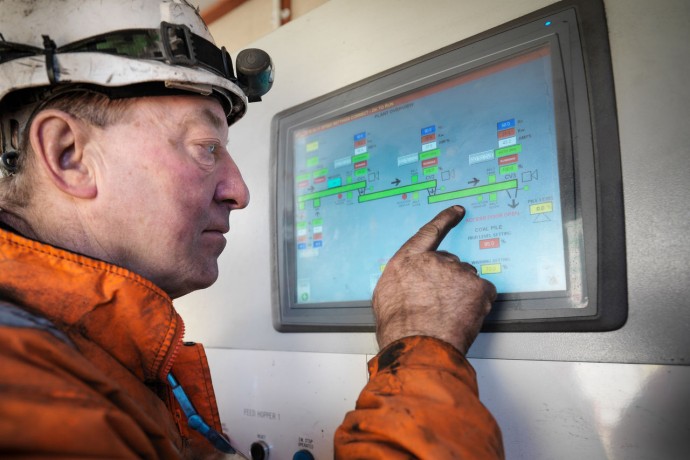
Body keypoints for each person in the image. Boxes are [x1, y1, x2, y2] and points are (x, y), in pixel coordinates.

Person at [0, 0, 503, 458]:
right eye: (206, 147)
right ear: (69, 155)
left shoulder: (96, 363)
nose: (240, 192)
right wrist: (421, 349)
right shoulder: (31, 393)